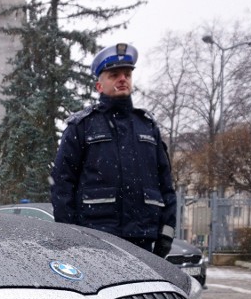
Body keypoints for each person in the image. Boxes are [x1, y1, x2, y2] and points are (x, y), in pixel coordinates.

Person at [50, 43, 176, 257]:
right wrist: (70, 233)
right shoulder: (82, 126)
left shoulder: (147, 127)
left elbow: (166, 185)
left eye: (127, 74)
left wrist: (166, 232)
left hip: (142, 238)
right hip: (95, 238)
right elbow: (62, 184)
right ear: (99, 86)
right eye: (114, 75)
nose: (122, 79)